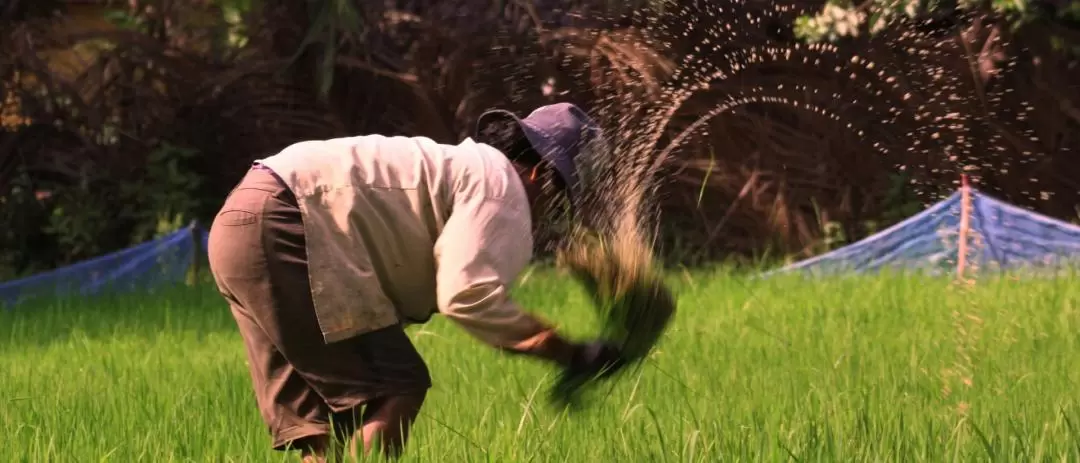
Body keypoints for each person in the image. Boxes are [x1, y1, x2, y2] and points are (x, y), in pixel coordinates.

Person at [206, 102, 625, 462]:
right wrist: (566, 352)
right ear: (540, 175)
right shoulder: (503, 187)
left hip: (239, 224)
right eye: (559, 196)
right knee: (397, 386)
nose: (552, 212)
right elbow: (467, 295)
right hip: (288, 223)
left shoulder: (463, 169)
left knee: (321, 424)